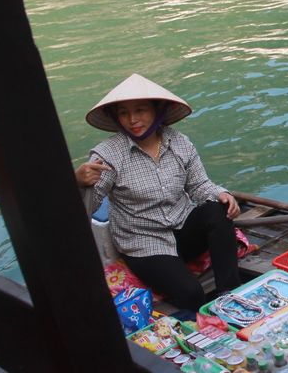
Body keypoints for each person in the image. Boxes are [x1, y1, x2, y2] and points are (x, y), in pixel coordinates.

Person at [76, 73, 241, 311]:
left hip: (182, 228)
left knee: (219, 210)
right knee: (192, 294)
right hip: (143, 243)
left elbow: (199, 186)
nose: (132, 119)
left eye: (141, 110)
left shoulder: (179, 142)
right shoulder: (108, 156)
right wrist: (78, 182)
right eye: (123, 112)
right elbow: (83, 211)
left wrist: (222, 195)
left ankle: (230, 294)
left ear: (157, 110)